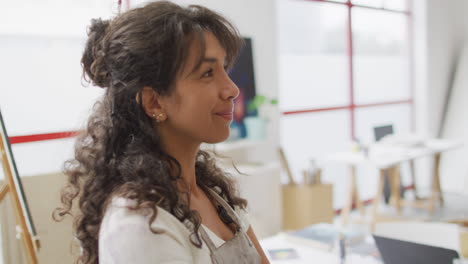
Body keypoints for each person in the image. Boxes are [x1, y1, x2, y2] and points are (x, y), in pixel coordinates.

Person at [53, 1, 270, 263]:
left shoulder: (213, 192)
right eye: (207, 73)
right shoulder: (140, 223)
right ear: (154, 102)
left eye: (225, 68)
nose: (232, 89)